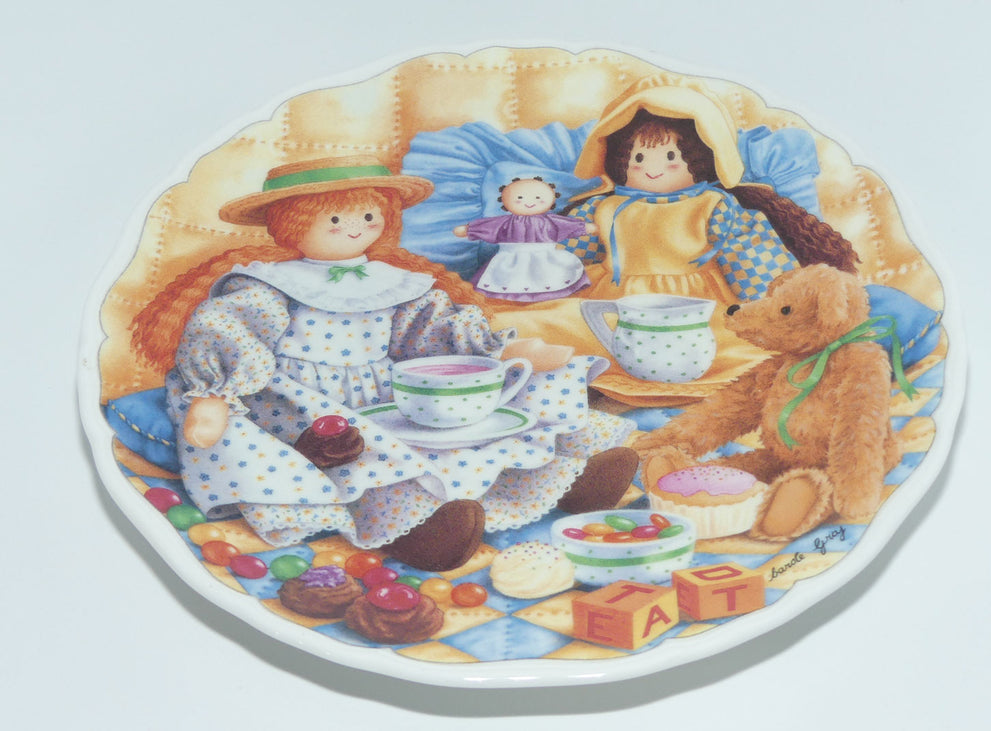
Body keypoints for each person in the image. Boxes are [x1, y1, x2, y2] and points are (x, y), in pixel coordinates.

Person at [130, 156, 637, 570]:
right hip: (305, 403)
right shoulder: (266, 284)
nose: (355, 229)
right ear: (292, 225)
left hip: (386, 391)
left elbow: (427, 331)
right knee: (368, 462)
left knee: (471, 425)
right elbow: (227, 328)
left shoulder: (392, 280)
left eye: (368, 216)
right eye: (335, 220)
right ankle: (416, 531)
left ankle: (571, 476)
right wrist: (214, 393)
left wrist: (498, 350)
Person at [487, 74, 858, 402]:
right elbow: (568, 253)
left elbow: (748, 255)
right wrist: (535, 275)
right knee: (555, 326)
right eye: (638, 159)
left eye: (670, 158)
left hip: (698, 306)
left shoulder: (713, 206)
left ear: (701, 158)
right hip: (612, 304)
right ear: (620, 160)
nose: (652, 170)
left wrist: (772, 305)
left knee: (740, 347)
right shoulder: (604, 208)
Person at [453, 175, 596, 301]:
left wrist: (585, 228)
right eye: (520, 198)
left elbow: (567, 226)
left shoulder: (551, 221)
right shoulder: (504, 222)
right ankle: (509, 302)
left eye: (538, 197)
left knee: (550, 277)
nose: (529, 201)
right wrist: (469, 230)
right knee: (508, 280)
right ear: (504, 201)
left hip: (546, 257)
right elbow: (489, 227)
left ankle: (548, 300)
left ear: (552, 200)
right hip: (510, 259)